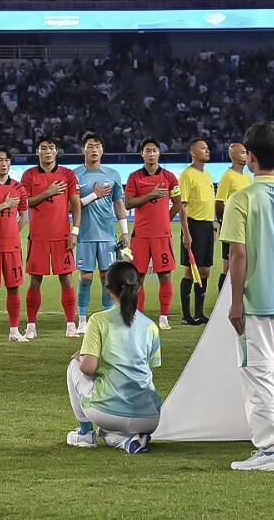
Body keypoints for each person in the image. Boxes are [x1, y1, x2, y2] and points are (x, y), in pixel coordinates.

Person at [221, 121, 274, 471]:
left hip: (256, 302)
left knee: (258, 372)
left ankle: (268, 448)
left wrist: (236, 301)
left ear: (250, 157)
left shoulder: (241, 200)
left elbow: (238, 254)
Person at [65, 261, 161, 454]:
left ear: (108, 290)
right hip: (151, 417)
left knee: (73, 366)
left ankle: (85, 434)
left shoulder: (99, 320)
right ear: (139, 286)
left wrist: (81, 357)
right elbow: (149, 366)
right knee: (107, 432)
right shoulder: (150, 326)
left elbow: (88, 368)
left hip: (109, 411)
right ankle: (129, 442)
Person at [21, 135, 82, 339]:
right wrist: (48, 192)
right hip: (38, 237)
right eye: (43, 148)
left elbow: (76, 203)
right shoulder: (29, 175)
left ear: (56, 151)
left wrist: (75, 231)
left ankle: (70, 325)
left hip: (62, 236)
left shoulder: (68, 174)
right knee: (35, 280)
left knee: (66, 278)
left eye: (51, 148)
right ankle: (31, 326)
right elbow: (26, 203)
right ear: (37, 151)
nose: (47, 151)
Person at [124, 138, 182, 331]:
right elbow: (128, 203)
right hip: (140, 235)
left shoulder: (169, 177)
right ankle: (138, 315)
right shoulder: (134, 177)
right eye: (147, 151)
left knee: (164, 275)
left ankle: (163, 317)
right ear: (142, 154)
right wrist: (150, 195)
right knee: (137, 278)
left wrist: (165, 219)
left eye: (154, 151)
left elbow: (177, 203)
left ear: (159, 153)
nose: (151, 154)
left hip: (162, 235)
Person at [74, 132, 128, 334]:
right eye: (90, 146)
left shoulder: (113, 174)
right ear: (83, 149)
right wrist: (93, 195)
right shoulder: (75, 175)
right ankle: (81, 321)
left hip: (107, 236)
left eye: (97, 145)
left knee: (107, 278)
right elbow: (72, 206)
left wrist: (124, 232)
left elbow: (119, 203)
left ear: (102, 150)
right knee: (85, 278)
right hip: (85, 236)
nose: (94, 149)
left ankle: (107, 318)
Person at [0, 147, 29, 342]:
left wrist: (11, 234)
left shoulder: (19, 188)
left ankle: (14, 331)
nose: (3, 164)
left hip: (12, 246)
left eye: (6, 160)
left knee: (14, 287)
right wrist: (2, 206)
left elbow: (24, 216)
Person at [178, 138, 217, 326]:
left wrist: (213, 225)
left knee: (205, 270)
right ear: (193, 152)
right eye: (203, 148)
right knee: (190, 270)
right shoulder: (187, 175)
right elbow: (182, 206)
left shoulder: (207, 175)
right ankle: (186, 315)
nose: (207, 151)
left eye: (207, 148)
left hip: (208, 226)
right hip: (193, 226)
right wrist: (186, 233)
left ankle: (199, 313)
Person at [215, 141, 252, 292]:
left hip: (245, 226)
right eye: (242, 152)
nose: (246, 154)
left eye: (246, 152)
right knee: (228, 266)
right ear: (232, 155)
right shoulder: (227, 177)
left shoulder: (247, 176)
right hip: (232, 227)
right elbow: (219, 202)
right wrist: (225, 222)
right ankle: (221, 300)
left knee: (242, 263)